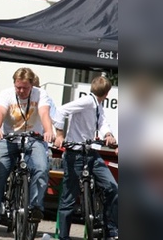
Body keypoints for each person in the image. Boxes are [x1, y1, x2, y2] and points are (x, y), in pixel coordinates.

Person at [0, 67, 55, 239]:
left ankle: (35, 208)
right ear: (14, 84)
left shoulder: (41, 94)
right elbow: (0, 113)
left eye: (25, 88)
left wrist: (48, 130)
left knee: (42, 168)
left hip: (34, 139)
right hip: (9, 139)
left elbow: (44, 113)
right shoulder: (6, 94)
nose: (21, 91)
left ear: (32, 85)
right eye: (18, 87)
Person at [53, 75, 118, 240]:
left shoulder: (97, 104)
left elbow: (102, 121)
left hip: (90, 152)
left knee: (112, 188)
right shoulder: (87, 102)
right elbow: (61, 110)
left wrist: (108, 134)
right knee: (69, 196)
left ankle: (110, 229)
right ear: (107, 93)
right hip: (75, 153)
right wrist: (60, 135)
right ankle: (63, 236)